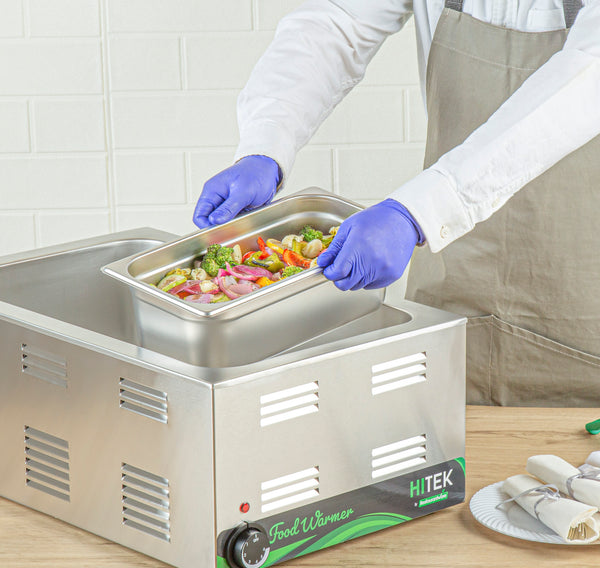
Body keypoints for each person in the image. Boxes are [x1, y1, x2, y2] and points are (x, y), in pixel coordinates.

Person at [193, 0, 600, 407]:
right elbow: (338, 21)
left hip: (576, 292)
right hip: (451, 269)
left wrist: (418, 212)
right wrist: (267, 140)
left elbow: (587, 75)